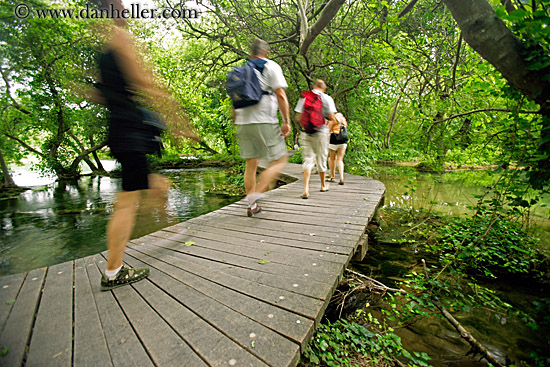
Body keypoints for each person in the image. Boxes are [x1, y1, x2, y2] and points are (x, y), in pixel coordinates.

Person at [85, 0, 199, 290]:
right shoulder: (120, 38)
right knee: (127, 202)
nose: (126, 7)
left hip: (120, 129)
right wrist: (178, 118)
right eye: (121, 3)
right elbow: (142, 82)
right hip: (130, 130)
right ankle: (114, 271)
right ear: (113, 8)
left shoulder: (102, 50)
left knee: (152, 185)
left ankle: (163, 224)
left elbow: (99, 94)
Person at [233, 38, 291, 217]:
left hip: (243, 122)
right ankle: (256, 194)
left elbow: (234, 102)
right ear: (266, 51)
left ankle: (252, 205)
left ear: (251, 52)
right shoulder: (271, 66)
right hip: (264, 120)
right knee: (280, 161)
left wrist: (236, 123)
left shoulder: (242, 70)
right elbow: (280, 95)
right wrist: (286, 121)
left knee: (251, 163)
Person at [294, 79, 336, 199]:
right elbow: (331, 117)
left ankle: (306, 189)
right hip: (321, 132)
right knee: (321, 157)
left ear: (314, 86)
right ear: (324, 88)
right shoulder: (327, 98)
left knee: (308, 159)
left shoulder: (304, 97)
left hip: (306, 132)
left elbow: (298, 116)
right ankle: (323, 185)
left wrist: (306, 124)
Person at [328, 112, 348, 185]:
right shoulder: (343, 119)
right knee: (340, 159)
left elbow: (329, 129)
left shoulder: (333, 118)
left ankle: (332, 177)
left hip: (334, 140)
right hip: (343, 141)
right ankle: (341, 178)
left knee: (332, 158)